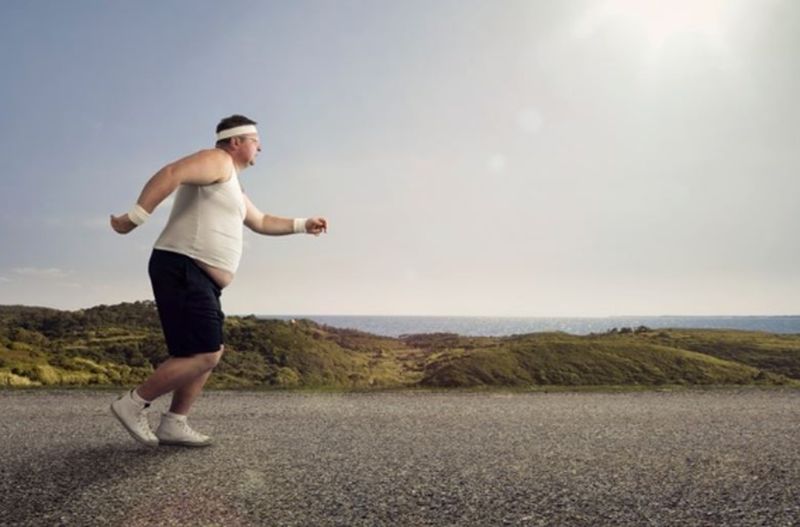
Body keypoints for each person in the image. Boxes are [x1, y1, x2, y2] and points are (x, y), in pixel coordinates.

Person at [109, 115, 327, 447]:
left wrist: (302, 223)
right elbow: (172, 173)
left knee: (208, 350)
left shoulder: (232, 185)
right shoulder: (217, 160)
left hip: (199, 277)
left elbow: (262, 220)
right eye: (256, 140)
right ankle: (133, 402)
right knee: (206, 353)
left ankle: (174, 423)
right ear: (236, 141)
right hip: (182, 266)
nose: (261, 147)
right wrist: (134, 218)